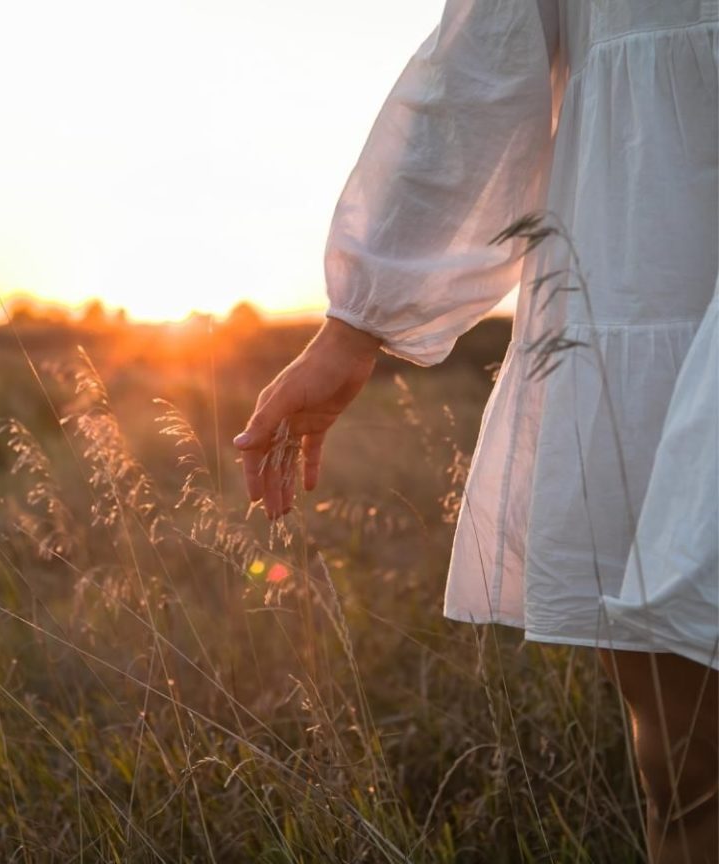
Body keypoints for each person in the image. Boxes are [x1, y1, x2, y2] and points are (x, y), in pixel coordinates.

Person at [233, 2, 719, 861]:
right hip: (657, 277)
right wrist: (354, 326)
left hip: (646, 285)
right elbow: (482, 67)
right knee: (692, 768)